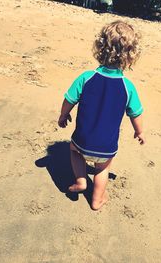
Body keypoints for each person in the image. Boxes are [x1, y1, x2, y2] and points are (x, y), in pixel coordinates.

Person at [58, 20, 145, 210]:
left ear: (100, 47)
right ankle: (97, 200)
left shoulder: (86, 78)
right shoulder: (127, 87)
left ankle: (81, 181)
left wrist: (63, 116)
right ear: (130, 56)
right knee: (102, 168)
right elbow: (135, 113)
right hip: (107, 146)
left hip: (82, 140)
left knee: (74, 151)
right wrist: (139, 132)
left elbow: (69, 100)